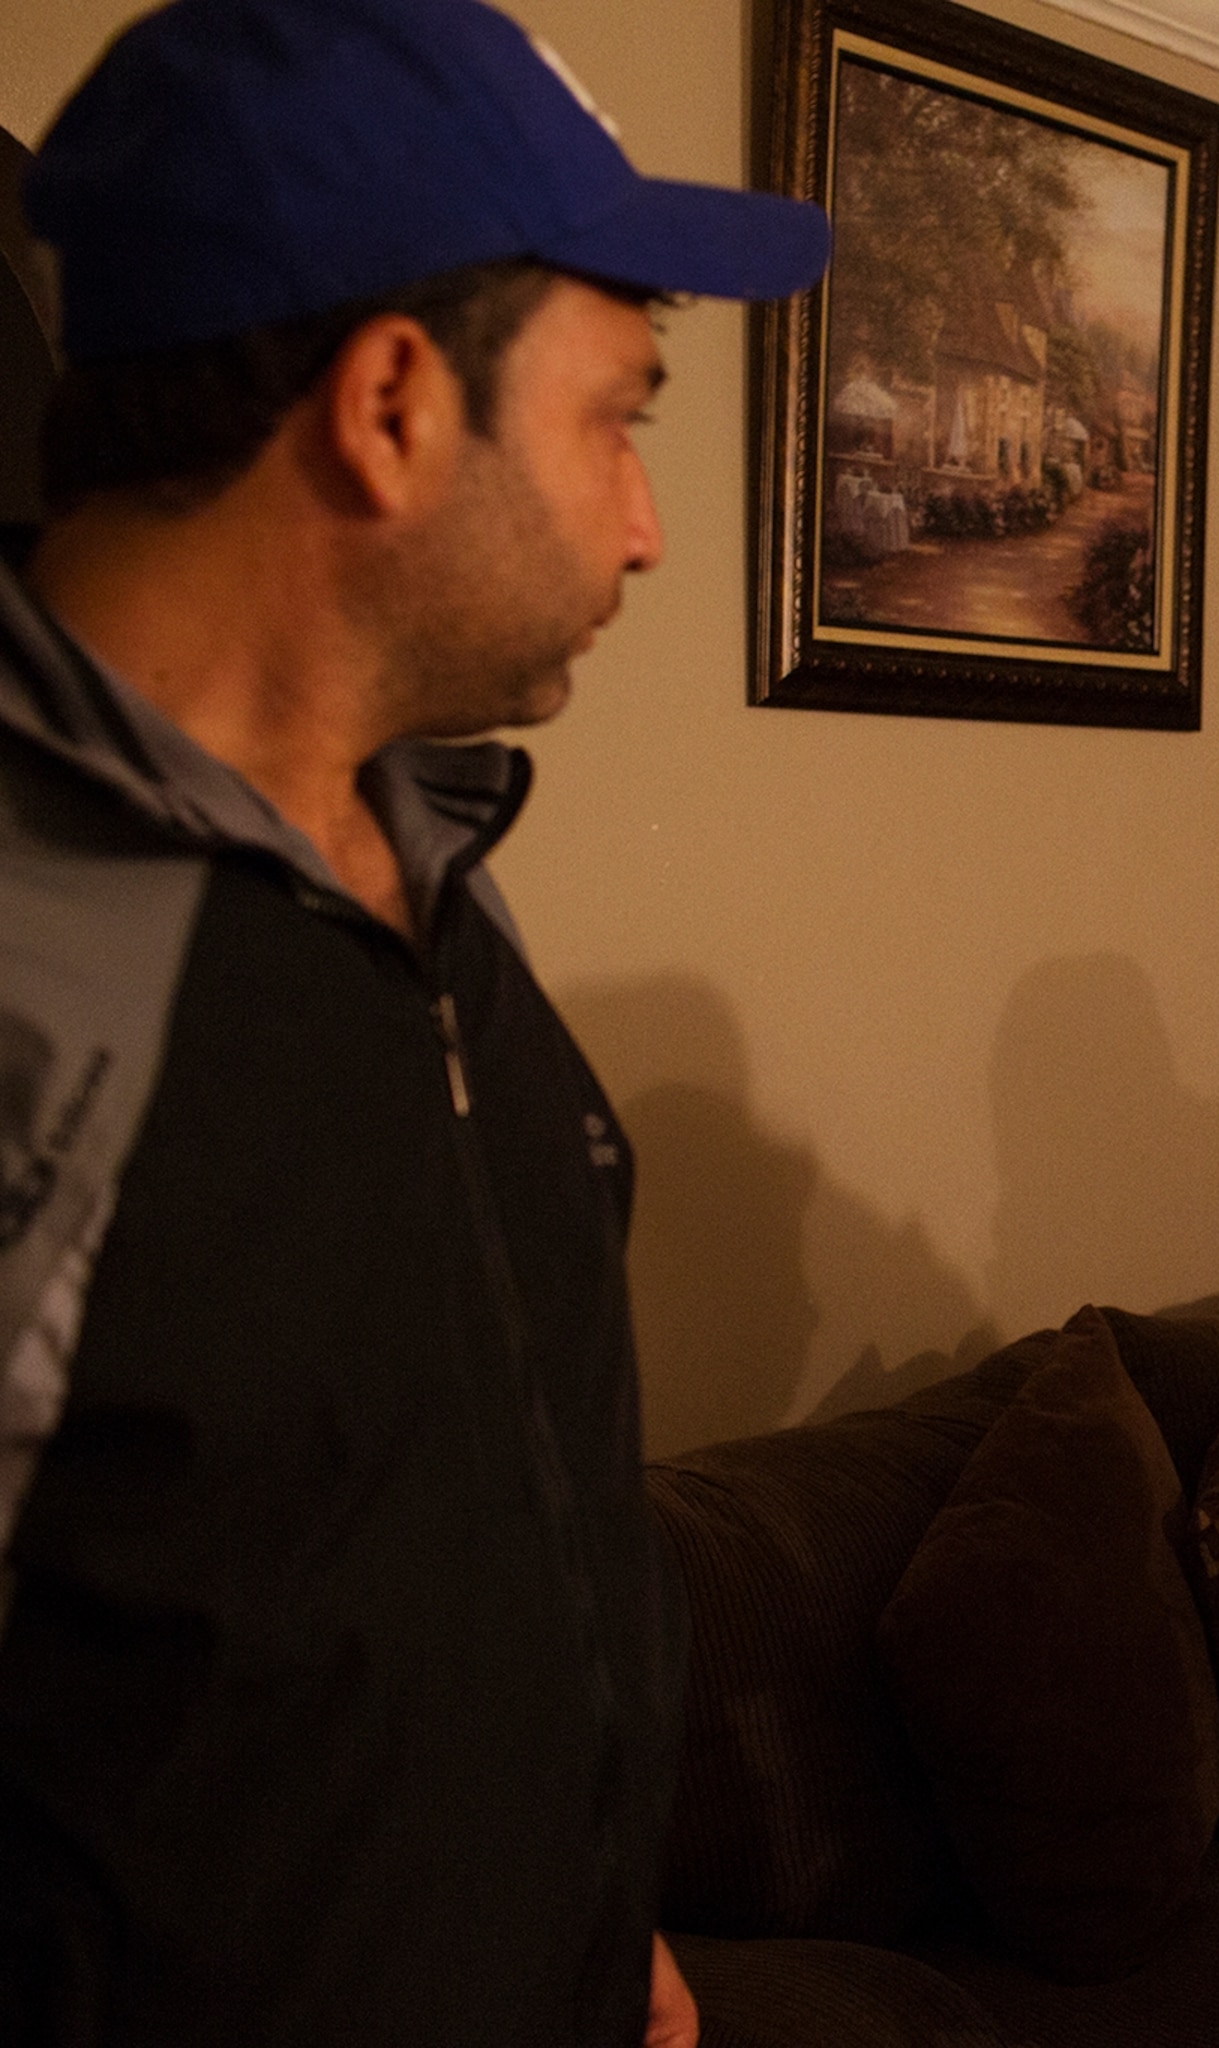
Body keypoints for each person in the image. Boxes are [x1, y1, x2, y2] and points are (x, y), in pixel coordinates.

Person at [0, 0, 827, 2040]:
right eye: (617, 415)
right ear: (386, 404)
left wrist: (582, 1905)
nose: (643, 523)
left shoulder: (424, 864)